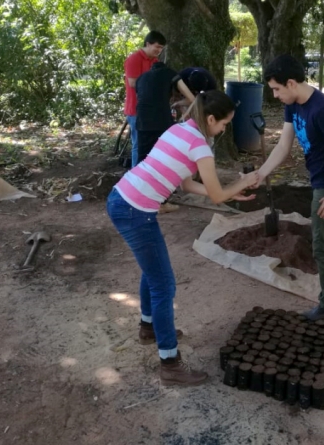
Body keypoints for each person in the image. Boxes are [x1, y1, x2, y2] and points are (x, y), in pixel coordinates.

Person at [107, 91, 258, 386]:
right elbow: (216, 195)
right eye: (224, 124)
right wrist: (240, 183)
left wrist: (230, 191)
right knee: (164, 284)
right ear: (211, 119)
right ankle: (170, 363)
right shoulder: (200, 146)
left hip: (124, 198)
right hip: (135, 210)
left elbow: (186, 183)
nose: (224, 129)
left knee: (153, 274)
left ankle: (149, 328)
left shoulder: (180, 129)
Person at [253, 54, 324, 323]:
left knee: (323, 245)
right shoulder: (293, 105)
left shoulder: (322, 109)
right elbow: (283, 145)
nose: (275, 95)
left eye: (277, 89)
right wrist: (261, 173)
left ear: (291, 83)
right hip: (320, 177)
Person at [134, 62, 195, 165]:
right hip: (161, 121)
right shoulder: (170, 74)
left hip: (142, 122)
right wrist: (179, 104)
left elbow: (141, 99)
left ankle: (140, 179)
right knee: (164, 158)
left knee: (143, 160)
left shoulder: (141, 78)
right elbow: (192, 98)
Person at [124, 31, 165, 167]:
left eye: (161, 48)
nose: (159, 51)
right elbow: (133, 83)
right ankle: (135, 177)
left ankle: (146, 175)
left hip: (150, 110)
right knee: (138, 145)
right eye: (157, 47)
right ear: (148, 44)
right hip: (136, 110)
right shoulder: (134, 59)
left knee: (151, 145)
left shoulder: (155, 62)